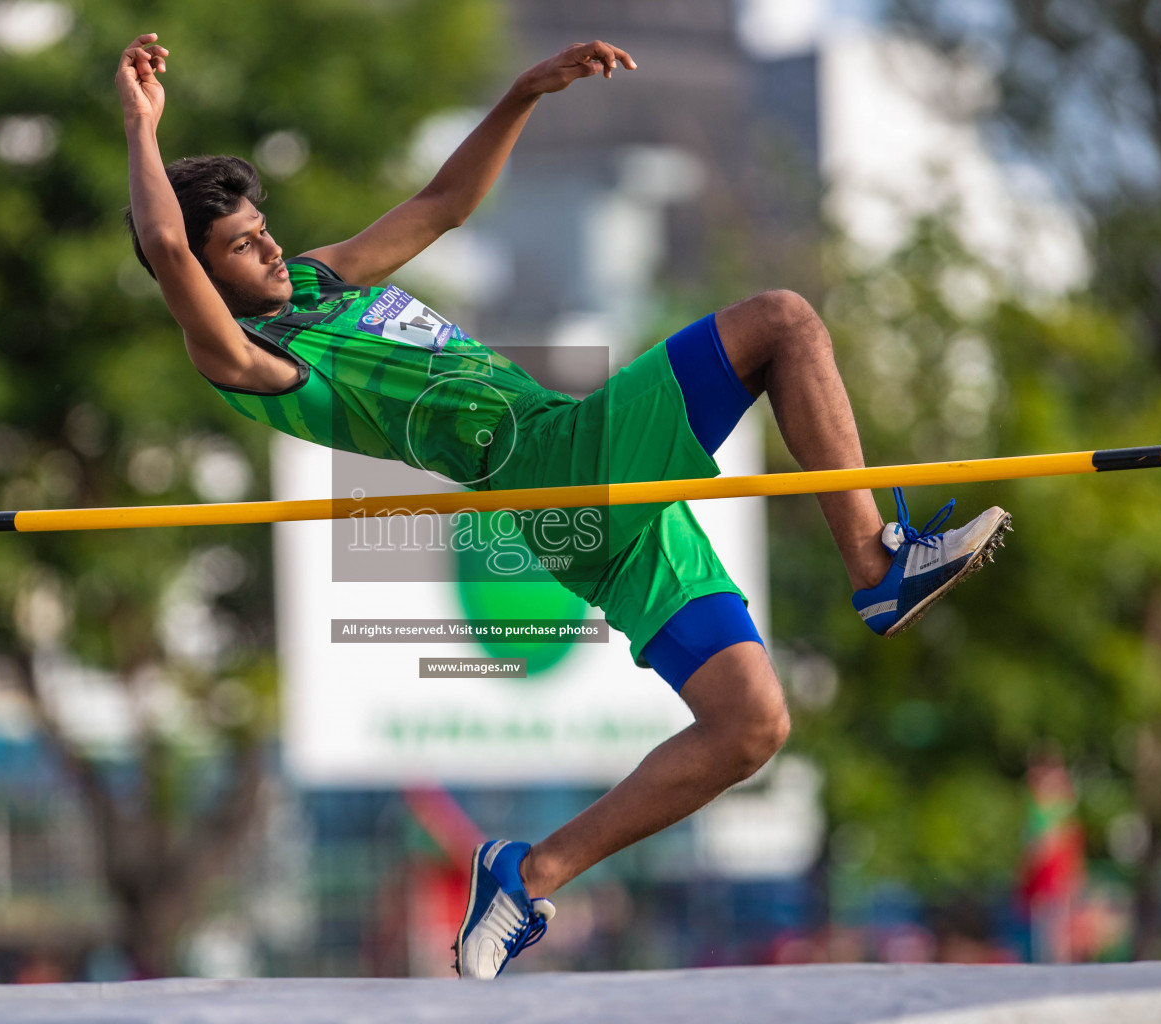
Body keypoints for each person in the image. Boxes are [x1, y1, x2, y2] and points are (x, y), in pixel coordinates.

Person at [116, 33, 1012, 980]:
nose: (268, 244)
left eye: (263, 227)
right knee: (782, 320)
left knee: (751, 726)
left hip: (574, 506)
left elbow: (443, 205)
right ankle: (876, 566)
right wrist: (140, 126)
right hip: (556, 467)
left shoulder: (319, 283)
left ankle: (526, 873)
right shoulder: (244, 360)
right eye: (243, 246)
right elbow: (166, 241)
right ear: (200, 276)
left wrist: (522, 94)